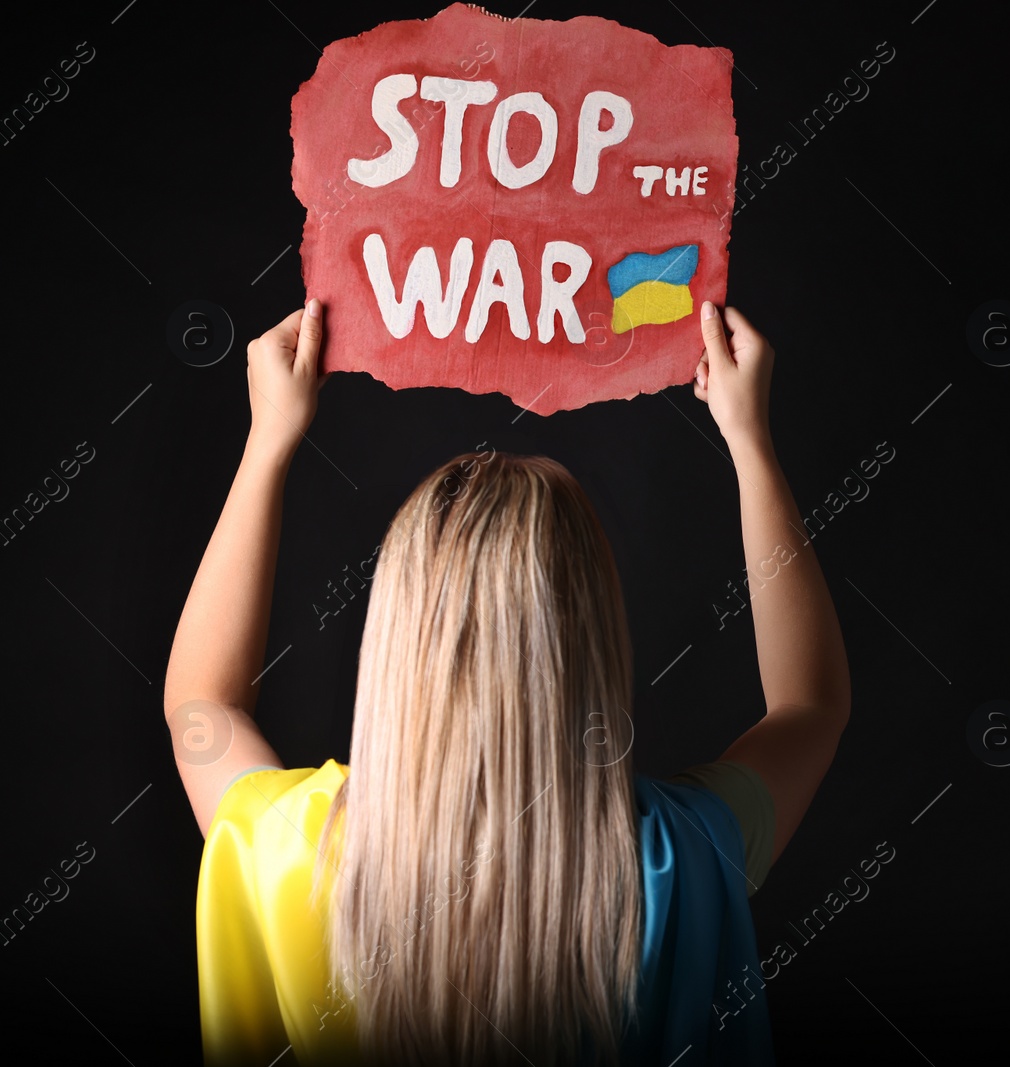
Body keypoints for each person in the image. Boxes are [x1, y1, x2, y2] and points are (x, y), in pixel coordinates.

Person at [165, 298, 851, 1065]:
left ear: (399, 632)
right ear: (591, 640)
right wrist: (749, 440)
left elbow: (201, 704)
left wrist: (268, 442)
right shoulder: (680, 857)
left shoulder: (296, 848)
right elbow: (812, 705)